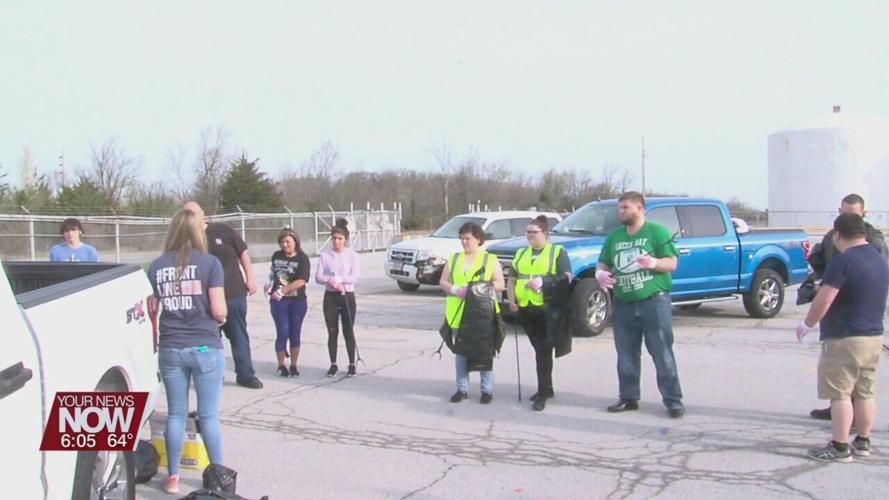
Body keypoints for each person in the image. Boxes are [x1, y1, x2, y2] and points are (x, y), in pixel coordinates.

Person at [147, 208, 227, 494]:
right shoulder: (210, 264)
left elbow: (152, 308)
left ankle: (173, 477)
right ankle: (219, 476)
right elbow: (218, 309)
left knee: (176, 414)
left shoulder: (156, 266)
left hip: (171, 347)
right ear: (197, 232)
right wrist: (222, 317)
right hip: (204, 345)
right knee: (208, 416)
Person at [797, 213, 889, 462]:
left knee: (840, 393)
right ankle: (863, 442)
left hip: (844, 336)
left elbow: (825, 298)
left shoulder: (842, 261)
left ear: (838, 234)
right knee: (865, 392)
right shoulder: (879, 259)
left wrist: (807, 323)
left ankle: (839, 446)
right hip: (873, 336)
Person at [596, 191, 685, 418]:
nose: (621, 212)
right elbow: (604, 262)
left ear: (640, 208)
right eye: (620, 208)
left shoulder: (657, 232)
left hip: (654, 302)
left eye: (626, 207)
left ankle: (673, 400)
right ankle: (628, 396)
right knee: (626, 353)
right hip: (624, 302)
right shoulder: (615, 236)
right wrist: (600, 274)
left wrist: (654, 262)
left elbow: (672, 263)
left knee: (661, 352)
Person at [807, 194, 887, 420]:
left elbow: (879, 280)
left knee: (855, 385)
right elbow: (821, 261)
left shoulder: (873, 241)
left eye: (853, 214)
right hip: (836, 310)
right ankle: (842, 415)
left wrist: (807, 323)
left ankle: (846, 429)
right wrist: (819, 282)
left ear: (864, 214)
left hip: (859, 318)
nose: (848, 218)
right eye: (844, 213)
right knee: (841, 383)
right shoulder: (832, 235)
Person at [183, 202, 263, 390]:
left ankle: (245, 375)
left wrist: (250, 277)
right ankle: (213, 376)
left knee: (239, 336)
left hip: (234, 294)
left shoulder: (223, 230)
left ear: (203, 214)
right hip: (205, 299)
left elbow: (243, 251)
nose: (192, 218)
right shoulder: (186, 241)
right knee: (209, 341)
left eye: (194, 213)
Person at [506, 215, 572, 411]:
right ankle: (546, 387)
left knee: (544, 350)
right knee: (539, 349)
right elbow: (512, 279)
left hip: (547, 308)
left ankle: (543, 391)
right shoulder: (521, 253)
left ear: (545, 233)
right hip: (526, 306)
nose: (530, 236)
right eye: (527, 232)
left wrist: (544, 282)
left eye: (534, 232)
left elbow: (566, 277)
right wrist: (511, 301)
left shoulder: (557, 252)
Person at [439, 222, 506, 404]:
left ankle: (487, 390)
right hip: (458, 313)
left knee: (485, 352)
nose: (464, 242)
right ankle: (462, 389)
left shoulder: (489, 260)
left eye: (468, 238)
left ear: (478, 239)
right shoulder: (453, 258)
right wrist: (454, 289)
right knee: (461, 353)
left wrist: (479, 288)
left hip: (483, 315)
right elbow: (443, 281)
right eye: (462, 238)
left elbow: (500, 284)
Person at [314, 219, 360, 377]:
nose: (336, 241)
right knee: (332, 331)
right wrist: (330, 280)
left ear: (345, 239)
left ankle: (352, 363)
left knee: (348, 330)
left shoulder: (352, 255)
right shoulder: (326, 255)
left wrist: (341, 279)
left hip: (346, 295)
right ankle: (333, 363)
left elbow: (354, 277)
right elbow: (318, 276)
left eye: (340, 238)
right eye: (334, 238)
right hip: (331, 296)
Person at [267, 228, 311, 377]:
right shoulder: (276, 256)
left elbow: (301, 280)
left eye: (288, 242)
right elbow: (273, 273)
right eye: (282, 242)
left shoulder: (302, 259)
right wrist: (269, 283)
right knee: (283, 330)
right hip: (279, 302)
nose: (285, 245)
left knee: (295, 332)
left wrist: (284, 290)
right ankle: (281, 364)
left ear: (295, 242)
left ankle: (293, 364)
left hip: (297, 300)